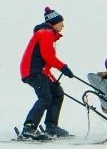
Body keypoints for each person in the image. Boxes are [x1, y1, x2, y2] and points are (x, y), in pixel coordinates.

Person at [19, 7, 73, 139]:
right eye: (61, 22)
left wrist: (53, 79)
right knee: (45, 97)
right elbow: (47, 56)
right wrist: (63, 67)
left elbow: (45, 65)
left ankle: (51, 127)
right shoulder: (46, 33)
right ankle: (29, 128)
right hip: (32, 71)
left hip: (39, 72)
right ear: (54, 22)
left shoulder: (47, 34)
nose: (63, 25)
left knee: (57, 93)